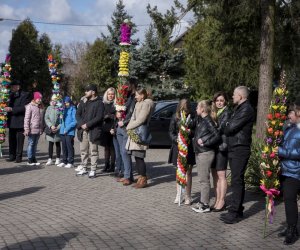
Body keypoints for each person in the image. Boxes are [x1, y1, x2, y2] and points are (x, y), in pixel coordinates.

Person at [220, 86, 254, 224]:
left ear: (240, 96)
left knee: (236, 181)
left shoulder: (246, 109)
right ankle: (237, 210)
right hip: (235, 147)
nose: (232, 96)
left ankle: (234, 212)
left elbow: (229, 128)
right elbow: (228, 125)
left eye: (234, 94)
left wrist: (227, 124)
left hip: (240, 148)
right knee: (236, 180)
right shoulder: (239, 108)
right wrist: (227, 124)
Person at [277, 102, 300, 245]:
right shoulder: (290, 128)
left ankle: (292, 230)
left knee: (291, 199)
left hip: (296, 171)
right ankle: (291, 227)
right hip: (286, 169)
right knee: (288, 200)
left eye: (291, 112)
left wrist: (281, 152)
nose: (288, 115)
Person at [192, 100, 220, 213]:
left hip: (205, 153)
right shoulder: (202, 120)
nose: (196, 109)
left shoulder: (208, 120)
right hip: (200, 152)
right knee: (202, 179)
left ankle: (205, 205)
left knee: (204, 180)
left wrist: (205, 142)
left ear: (203, 109)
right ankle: (203, 202)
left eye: (198, 107)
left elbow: (217, 135)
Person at [126, 88, 155, 188]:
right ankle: (140, 178)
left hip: (140, 133)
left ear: (142, 95)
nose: (135, 96)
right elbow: (133, 117)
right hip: (134, 131)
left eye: (137, 95)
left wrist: (128, 127)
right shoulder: (138, 103)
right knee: (136, 156)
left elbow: (141, 120)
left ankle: (143, 179)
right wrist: (129, 128)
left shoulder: (146, 104)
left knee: (139, 157)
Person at [169, 99, 195, 205]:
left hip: (189, 147)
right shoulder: (175, 117)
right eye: (182, 107)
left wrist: (190, 132)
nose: (184, 109)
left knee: (188, 172)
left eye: (186, 107)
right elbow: (171, 132)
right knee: (179, 171)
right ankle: (178, 194)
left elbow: (196, 130)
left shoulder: (193, 117)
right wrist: (176, 139)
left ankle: (188, 196)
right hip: (178, 147)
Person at [75, 84, 104, 178]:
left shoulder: (99, 103)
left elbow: (99, 117)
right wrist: (82, 125)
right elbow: (77, 115)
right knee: (83, 150)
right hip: (83, 130)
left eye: (87, 90)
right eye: (85, 90)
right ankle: (84, 168)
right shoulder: (83, 101)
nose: (85, 92)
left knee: (93, 150)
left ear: (93, 92)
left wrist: (88, 125)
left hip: (93, 130)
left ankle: (93, 170)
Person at [211, 92, 231, 212]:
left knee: (221, 175)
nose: (219, 102)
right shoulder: (214, 112)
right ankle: (217, 199)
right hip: (213, 147)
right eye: (217, 100)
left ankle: (222, 201)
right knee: (214, 174)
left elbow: (220, 129)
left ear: (225, 102)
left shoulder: (226, 113)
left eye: (221, 100)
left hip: (222, 147)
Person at [116, 79, 137, 185]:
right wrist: (117, 113)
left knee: (125, 151)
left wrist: (124, 121)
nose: (125, 86)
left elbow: (132, 113)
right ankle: (127, 175)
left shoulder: (134, 98)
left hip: (126, 127)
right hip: (119, 126)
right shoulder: (124, 96)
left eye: (127, 85)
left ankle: (128, 176)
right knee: (122, 152)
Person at [5, 80, 31, 163]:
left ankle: (18, 157)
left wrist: (12, 109)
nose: (11, 88)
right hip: (11, 120)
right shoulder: (9, 95)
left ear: (18, 87)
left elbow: (24, 107)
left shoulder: (25, 95)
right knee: (11, 140)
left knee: (19, 140)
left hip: (20, 121)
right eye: (11, 86)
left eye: (13, 86)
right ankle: (11, 156)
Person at [24, 92, 44, 166]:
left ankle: (34, 158)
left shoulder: (41, 107)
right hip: (31, 129)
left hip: (38, 129)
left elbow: (41, 120)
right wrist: (26, 129)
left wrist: (41, 129)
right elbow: (27, 118)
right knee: (31, 144)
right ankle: (29, 159)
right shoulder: (30, 106)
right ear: (35, 98)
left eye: (40, 99)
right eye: (38, 98)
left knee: (35, 144)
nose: (40, 100)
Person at [101, 87, 116, 172]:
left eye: (112, 94)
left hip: (112, 128)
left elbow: (117, 116)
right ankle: (106, 164)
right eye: (109, 94)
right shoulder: (103, 103)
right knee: (106, 148)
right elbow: (101, 114)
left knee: (112, 148)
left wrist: (110, 116)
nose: (110, 96)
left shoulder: (116, 104)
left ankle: (112, 165)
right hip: (105, 128)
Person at [59, 96, 76, 168]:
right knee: (64, 147)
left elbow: (75, 121)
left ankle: (70, 162)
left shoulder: (73, 109)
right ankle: (64, 161)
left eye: (67, 103)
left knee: (69, 146)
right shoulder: (63, 110)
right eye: (65, 103)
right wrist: (60, 118)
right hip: (62, 131)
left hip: (69, 132)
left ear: (70, 102)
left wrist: (68, 128)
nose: (66, 104)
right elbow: (61, 122)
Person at [44, 95, 61, 166]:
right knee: (50, 144)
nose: (54, 102)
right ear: (51, 101)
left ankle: (58, 158)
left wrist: (58, 127)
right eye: (52, 101)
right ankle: (50, 158)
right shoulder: (48, 108)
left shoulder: (60, 108)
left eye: (55, 101)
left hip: (57, 129)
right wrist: (51, 126)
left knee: (58, 144)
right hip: (50, 129)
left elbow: (61, 120)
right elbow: (46, 118)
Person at [111, 110, 124, 177]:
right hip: (115, 138)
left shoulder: (124, 120)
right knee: (117, 154)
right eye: (117, 113)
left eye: (120, 112)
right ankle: (117, 169)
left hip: (121, 138)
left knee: (122, 153)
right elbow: (112, 127)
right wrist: (112, 130)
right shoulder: (114, 120)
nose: (119, 114)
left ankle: (122, 170)